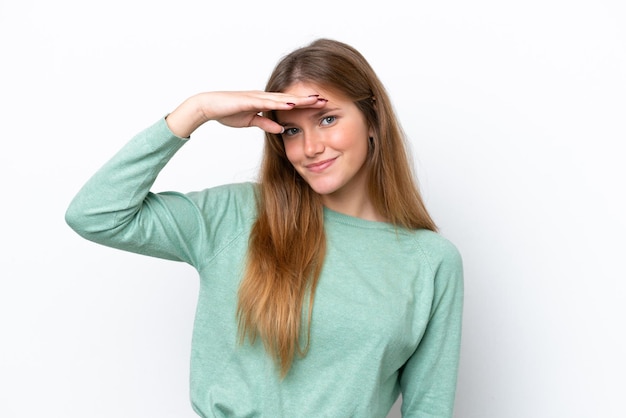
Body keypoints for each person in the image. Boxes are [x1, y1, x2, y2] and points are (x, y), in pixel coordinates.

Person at [65, 38, 464, 418]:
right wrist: (196, 111)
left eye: (327, 119)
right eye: (292, 129)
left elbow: (428, 408)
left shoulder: (430, 261)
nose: (310, 147)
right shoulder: (236, 217)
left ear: (373, 118)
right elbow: (96, 214)